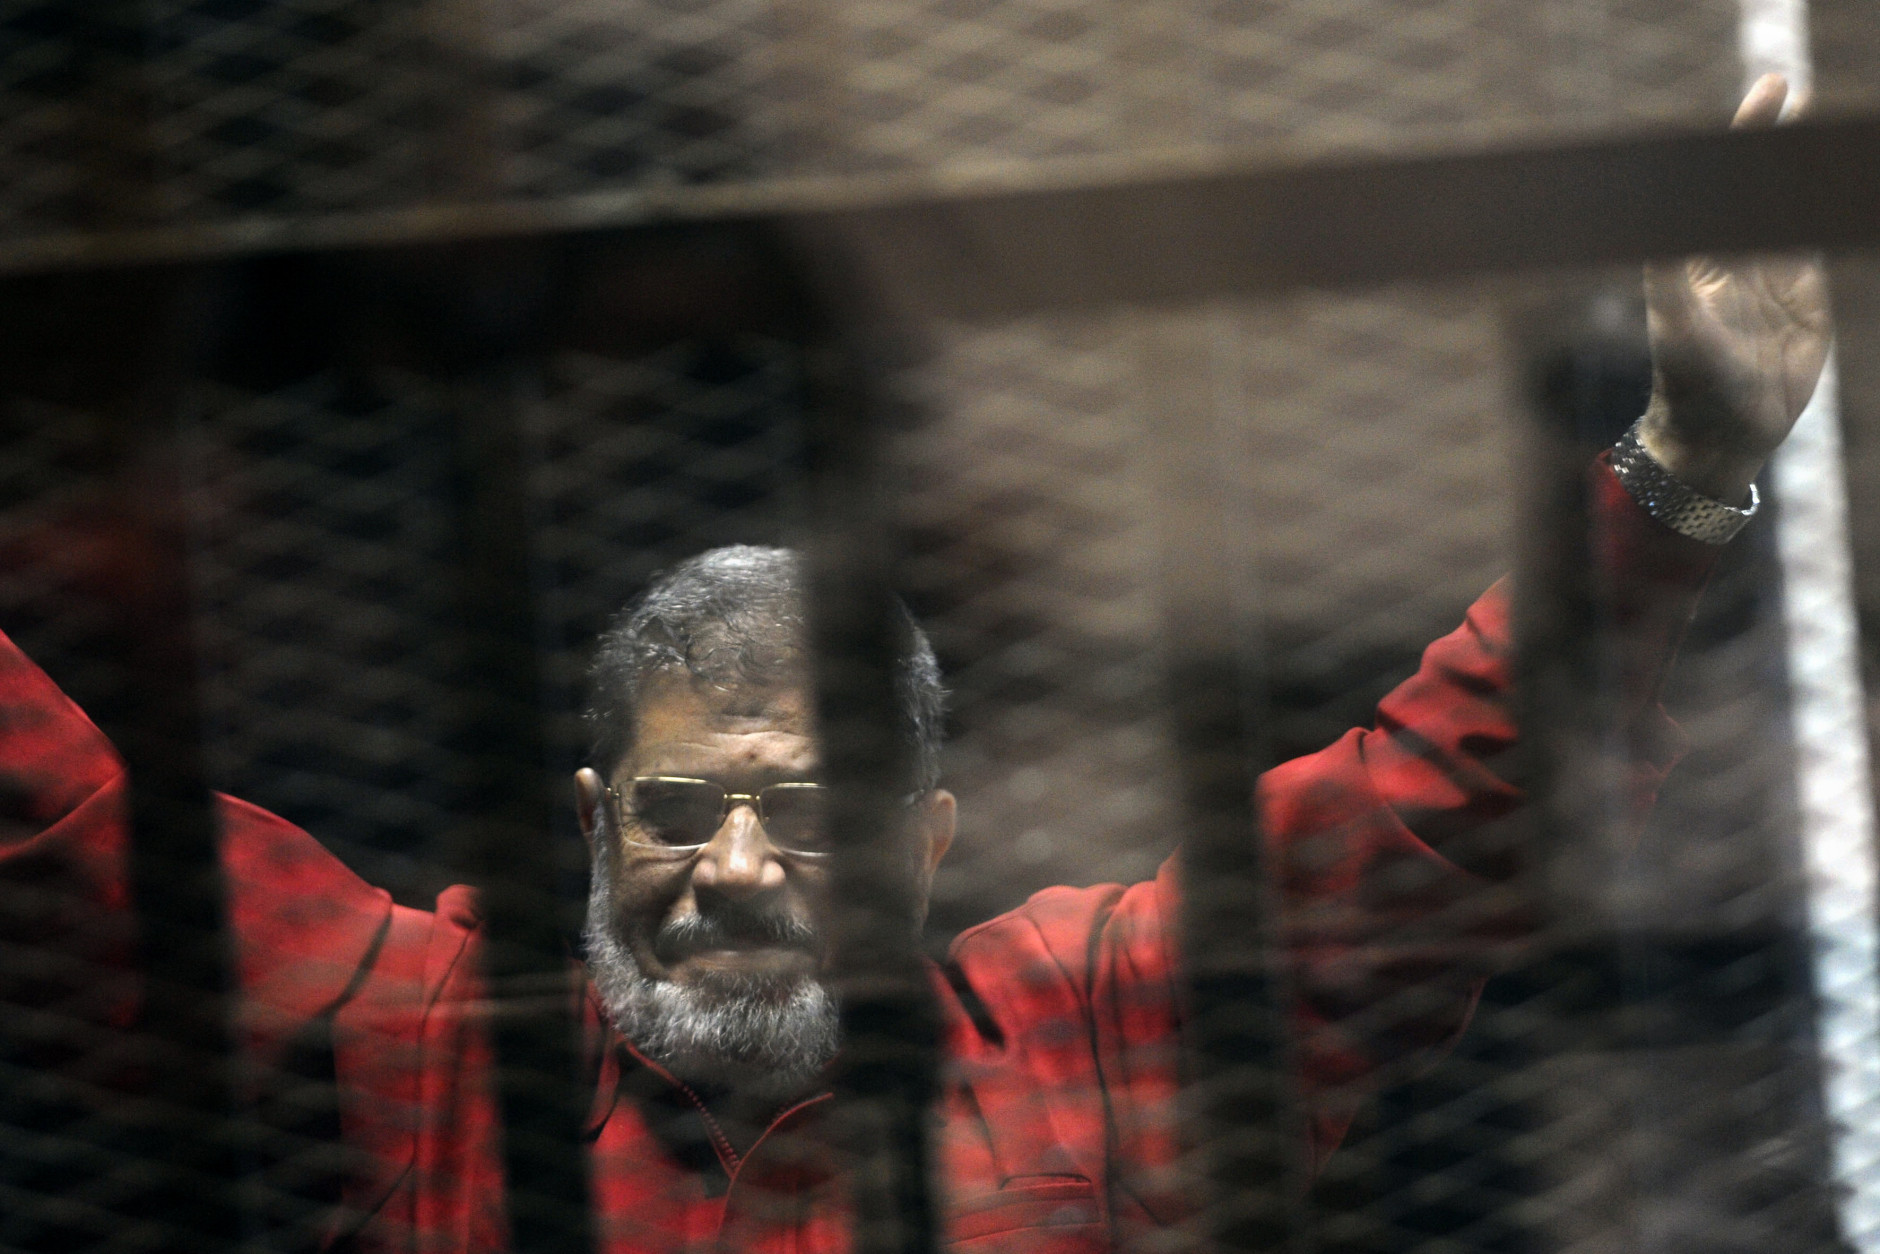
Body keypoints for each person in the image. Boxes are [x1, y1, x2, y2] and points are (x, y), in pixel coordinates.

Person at [0, 74, 1830, 1254]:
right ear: (589, 819)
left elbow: (1436, 813)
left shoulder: (1088, 1029)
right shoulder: (425, 1042)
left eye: (803, 811)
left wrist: (1683, 468)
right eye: (680, 809)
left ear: (928, 836)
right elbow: (70, 842)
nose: (731, 869)